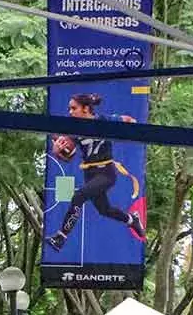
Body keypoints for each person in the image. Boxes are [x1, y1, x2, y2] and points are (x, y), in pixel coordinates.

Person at [45, 93, 146, 251]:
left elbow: (128, 120)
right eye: (69, 108)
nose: (70, 112)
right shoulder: (74, 131)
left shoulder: (104, 121)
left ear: (85, 109)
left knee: (79, 196)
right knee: (104, 210)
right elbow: (68, 157)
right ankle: (132, 219)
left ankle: (60, 237)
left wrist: (132, 128)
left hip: (106, 173)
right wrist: (57, 152)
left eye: (73, 108)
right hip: (90, 174)